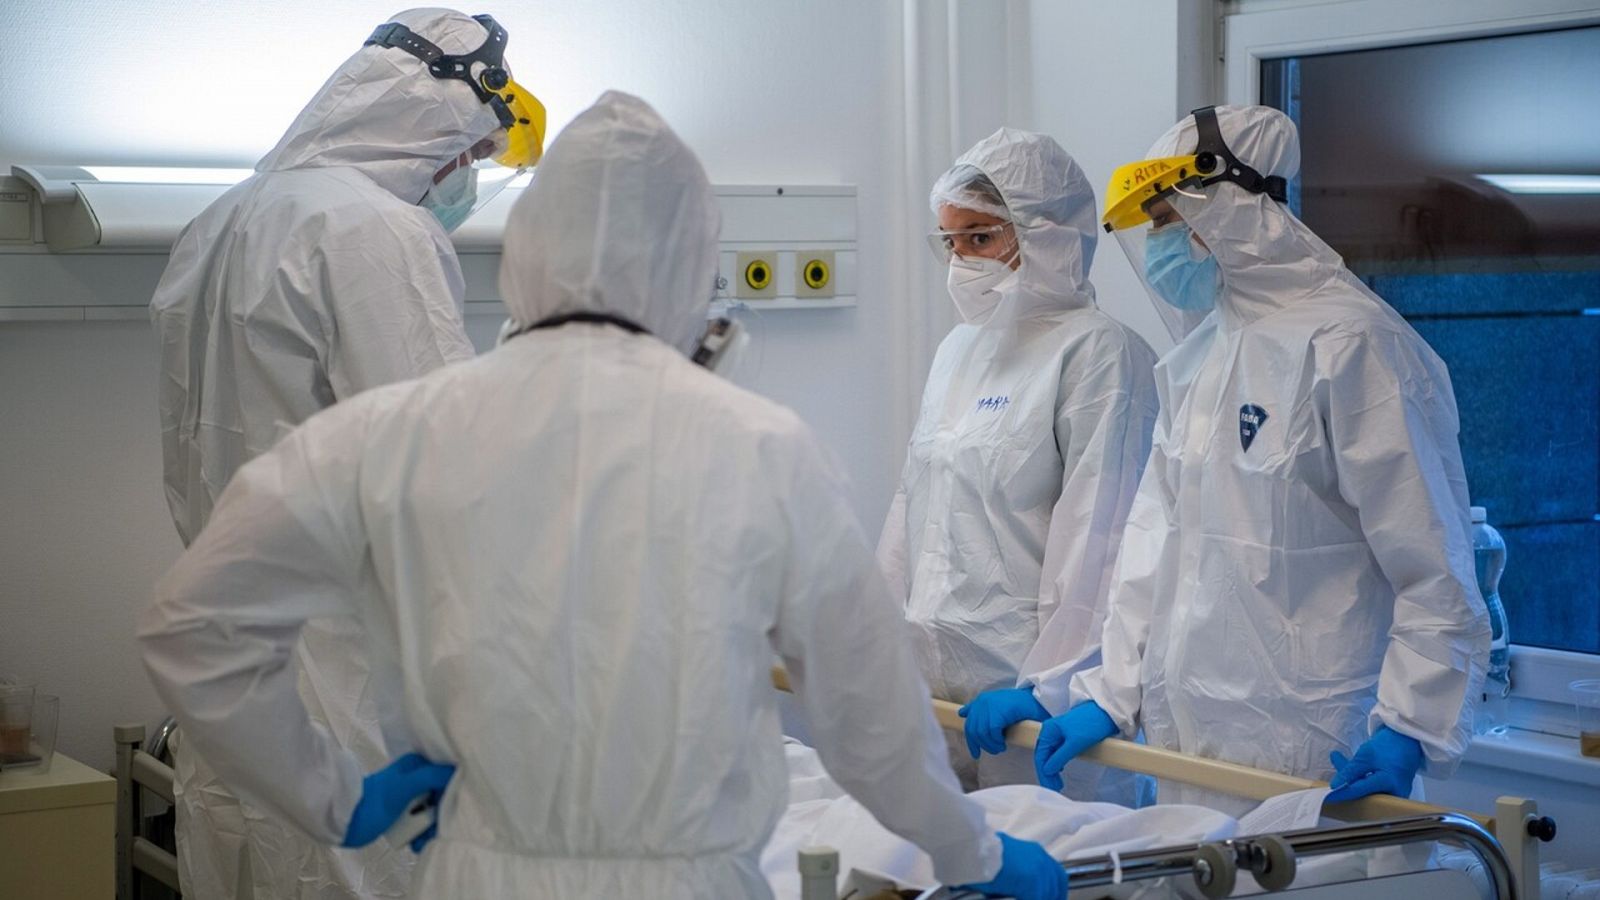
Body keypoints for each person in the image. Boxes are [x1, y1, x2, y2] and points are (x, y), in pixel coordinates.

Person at [139, 90, 1068, 900]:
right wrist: (971, 850)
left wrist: (333, 797)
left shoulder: (392, 430)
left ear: (528, 249)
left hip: (473, 873)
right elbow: (870, 721)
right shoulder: (760, 448)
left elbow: (195, 630)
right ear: (688, 259)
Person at [146, 9, 544, 898]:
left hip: (234, 686)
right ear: (431, 125)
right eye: (469, 155)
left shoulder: (217, 224)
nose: (469, 176)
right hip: (354, 691)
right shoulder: (377, 233)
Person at [1034, 105, 1491, 816]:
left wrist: (1410, 726)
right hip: (1187, 752)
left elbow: (1434, 565)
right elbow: (1152, 549)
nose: (1157, 245)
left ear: (1223, 203)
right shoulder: (1201, 358)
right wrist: (1111, 694)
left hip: (1319, 755)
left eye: (1163, 219)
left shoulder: (1355, 347)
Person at [877, 128, 1158, 800]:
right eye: (951, 242)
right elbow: (915, 504)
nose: (961, 261)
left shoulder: (1100, 353)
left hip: (1041, 715)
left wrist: (1051, 686)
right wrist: (876, 640)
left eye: (980, 238)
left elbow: (1102, 540)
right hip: (938, 697)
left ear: (1049, 234)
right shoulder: (958, 352)